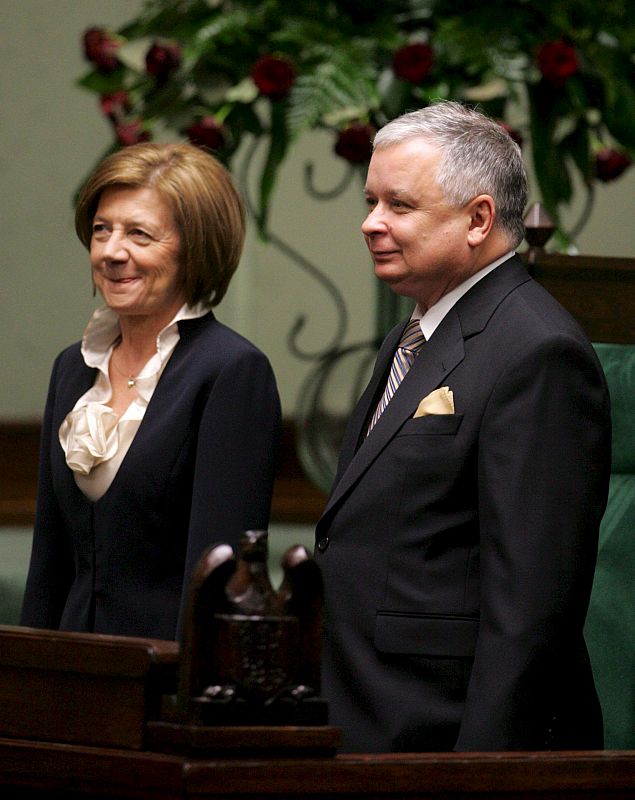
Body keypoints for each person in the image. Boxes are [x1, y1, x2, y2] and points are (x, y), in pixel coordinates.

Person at [315, 101, 611, 752]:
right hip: (368, 723)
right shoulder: (413, 333)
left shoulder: (537, 352)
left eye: (398, 205)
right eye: (369, 202)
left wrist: (477, 779)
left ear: (478, 218)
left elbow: (528, 614)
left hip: (446, 745)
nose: (370, 224)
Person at [20, 142, 281, 641]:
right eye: (102, 230)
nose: (112, 252)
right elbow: (49, 560)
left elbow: (219, 577)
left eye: (140, 234)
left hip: (165, 681)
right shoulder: (71, 369)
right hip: (75, 673)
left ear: (196, 249)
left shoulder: (231, 371)